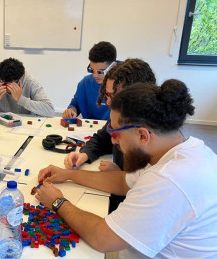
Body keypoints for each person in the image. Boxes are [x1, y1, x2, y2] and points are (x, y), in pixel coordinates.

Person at [37, 80, 217, 259]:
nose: (112, 140)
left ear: (143, 135)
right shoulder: (180, 149)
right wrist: (68, 174)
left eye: (116, 132)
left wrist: (58, 202)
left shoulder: (170, 179)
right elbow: (123, 182)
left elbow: (102, 238)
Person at [64, 58, 156, 212]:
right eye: (106, 94)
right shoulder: (121, 117)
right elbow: (102, 138)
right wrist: (85, 154)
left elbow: (136, 192)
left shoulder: (153, 147)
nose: (107, 101)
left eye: (113, 95)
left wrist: (120, 175)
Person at [62, 41, 117, 120]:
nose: (95, 75)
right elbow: (75, 104)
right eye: (91, 70)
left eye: (100, 72)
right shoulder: (85, 83)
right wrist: (71, 111)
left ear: (113, 66)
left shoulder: (122, 86)